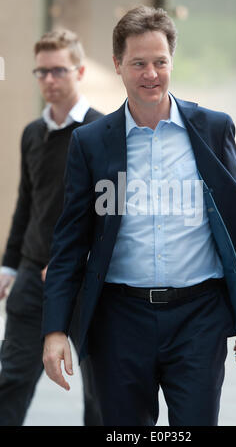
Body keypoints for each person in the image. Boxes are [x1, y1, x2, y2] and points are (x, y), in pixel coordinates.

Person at [42, 6, 236, 426]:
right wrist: (55, 330)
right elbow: (70, 242)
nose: (150, 73)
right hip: (118, 321)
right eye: (138, 63)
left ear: (172, 60)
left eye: (159, 62)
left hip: (198, 319)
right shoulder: (91, 143)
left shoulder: (213, 128)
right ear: (117, 65)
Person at [0, 29, 103, 426]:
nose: (49, 80)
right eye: (41, 72)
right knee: (11, 378)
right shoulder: (32, 134)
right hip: (31, 278)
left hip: (85, 281)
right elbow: (27, 204)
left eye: (58, 70)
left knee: (100, 390)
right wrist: (9, 266)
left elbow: (113, 216)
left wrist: (76, 261)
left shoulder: (102, 133)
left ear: (78, 71)